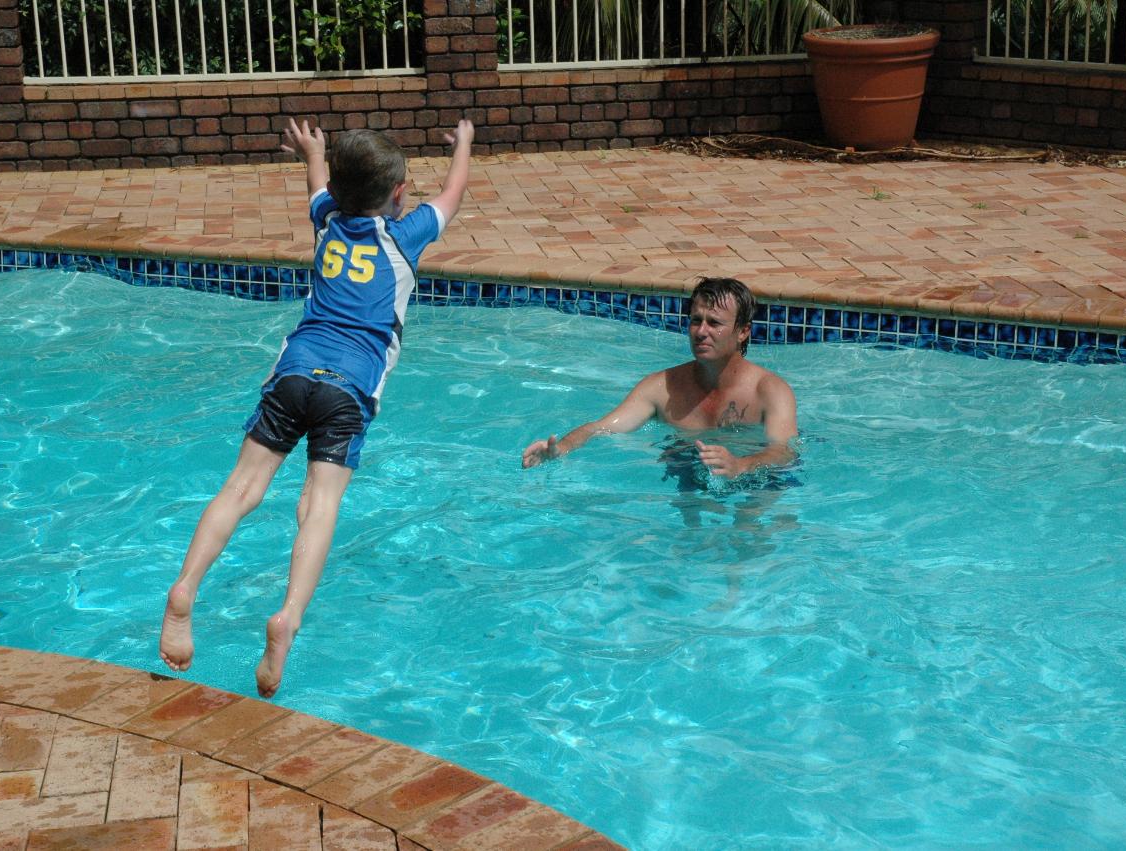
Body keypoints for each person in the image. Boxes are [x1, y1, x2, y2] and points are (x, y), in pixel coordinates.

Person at [159, 117, 475, 698]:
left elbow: (318, 185)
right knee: (318, 505)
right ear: (401, 193)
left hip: (295, 371)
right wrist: (465, 147)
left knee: (240, 489)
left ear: (339, 190)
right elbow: (453, 194)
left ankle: (184, 589)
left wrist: (314, 151)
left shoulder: (326, 218)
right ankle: (287, 618)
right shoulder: (405, 236)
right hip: (348, 387)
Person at [521, 277, 798, 478]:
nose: (701, 331)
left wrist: (741, 465)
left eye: (714, 323)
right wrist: (562, 449)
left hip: (758, 480)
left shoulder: (770, 391)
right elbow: (601, 427)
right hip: (687, 475)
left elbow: (784, 452)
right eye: (695, 320)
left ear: (743, 331)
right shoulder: (661, 387)